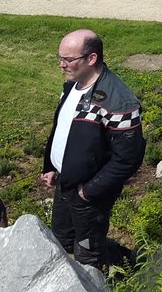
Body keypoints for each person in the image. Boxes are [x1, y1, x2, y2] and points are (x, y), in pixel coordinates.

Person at [41, 30, 145, 269]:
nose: (61, 64)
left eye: (68, 59)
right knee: (62, 241)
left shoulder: (119, 101)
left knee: (88, 254)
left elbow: (128, 159)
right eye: (60, 58)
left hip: (89, 194)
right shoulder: (72, 86)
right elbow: (61, 129)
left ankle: (127, 266)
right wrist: (51, 166)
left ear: (91, 58)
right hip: (65, 183)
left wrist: (88, 191)